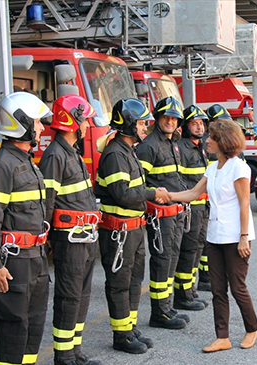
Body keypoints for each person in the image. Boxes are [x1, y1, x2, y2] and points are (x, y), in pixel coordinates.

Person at [169, 119, 257, 353]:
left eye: (212, 137)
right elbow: (192, 194)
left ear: (224, 141)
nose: (207, 140)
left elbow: (244, 204)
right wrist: (165, 195)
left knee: (237, 287)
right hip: (215, 236)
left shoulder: (239, 167)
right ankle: (223, 337)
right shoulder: (212, 168)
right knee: (218, 290)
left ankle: (252, 329)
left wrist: (243, 237)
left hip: (236, 236)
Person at [0, 92, 52, 365]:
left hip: (36, 257)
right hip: (14, 260)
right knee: (13, 326)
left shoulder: (25, 162)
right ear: (21, 122)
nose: (42, 128)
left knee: (34, 323)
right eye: (37, 122)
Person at [94, 98, 169, 354]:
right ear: (128, 124)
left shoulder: (127, 151)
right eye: (141, 122)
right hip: (119, 232)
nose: (145, 126)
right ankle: (121, 336)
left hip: (132, 230)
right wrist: (151, 194)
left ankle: (130, 328)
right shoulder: (115, 154)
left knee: (135, 280)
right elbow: (123, 194)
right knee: (119, 283)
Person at [38, 95, 101, 365]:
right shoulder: (54, 155)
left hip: (85, 237)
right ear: (72, 120)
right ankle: (63, 356)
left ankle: (74, 351)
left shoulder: (71, 152)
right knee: (68, 296)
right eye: (84, 118)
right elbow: (46, 202)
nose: (88, 123)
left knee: (82, 296)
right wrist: (48, 239)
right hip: (69, 239)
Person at [137, 96, 190, 330]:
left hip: (175, 212)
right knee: (162, 259)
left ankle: (167, 306)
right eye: (166, 117)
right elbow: (140, 184)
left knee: (172, 258)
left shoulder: (172, 143)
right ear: (157, 118)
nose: (170, 121)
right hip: (160, 216)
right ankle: (159, 312)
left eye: (174, 118)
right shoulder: (149, 146)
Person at [175, 105, 211, 310]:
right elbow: (179, 180)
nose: (199, 127)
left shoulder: (200, 146)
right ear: (186, 126)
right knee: (188, 252)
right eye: (194, 123)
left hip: (202, 208)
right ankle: (182, 295)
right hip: (190, 209)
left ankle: (191, 291)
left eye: (201, 123)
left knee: (197, 250)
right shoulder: (182, 148)